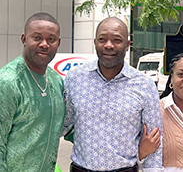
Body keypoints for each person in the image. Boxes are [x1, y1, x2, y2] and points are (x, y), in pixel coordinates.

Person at [61, 17, 163, 172]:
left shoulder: (144, 85)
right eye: (102, 39)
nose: (109, 45)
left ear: (127, 45)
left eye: (117, 40)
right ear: (95, 42)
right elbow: (62, 125)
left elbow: (154, 142)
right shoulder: (75, 79)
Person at [0, 12, 65, 172]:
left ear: (58, 42)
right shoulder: (8, 81)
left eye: (51, 39)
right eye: (37, 38)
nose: (44, 44)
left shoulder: (56, 80)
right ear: (24, 39)